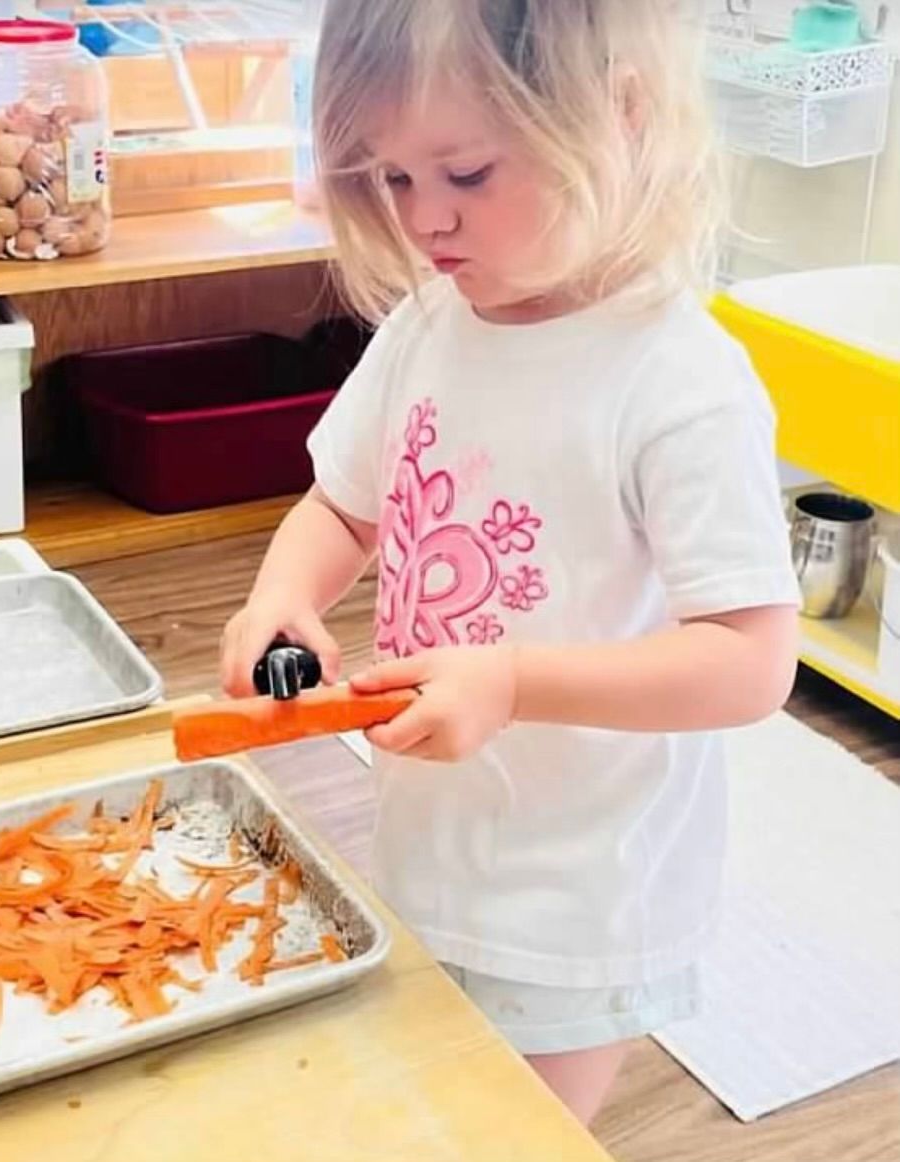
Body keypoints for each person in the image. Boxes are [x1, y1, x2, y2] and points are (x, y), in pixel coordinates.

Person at [220, 0, 800, 1125]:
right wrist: (280, 596)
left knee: (507, 1132)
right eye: (391, 179)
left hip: (586, 890)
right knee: (422, 1100)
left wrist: (518, 679)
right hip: (434, 837)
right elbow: (341, 506)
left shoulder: (678, 381)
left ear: (618, 119)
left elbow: (749, 660)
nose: (426, 219)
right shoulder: (430, 326)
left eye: (469, 173)